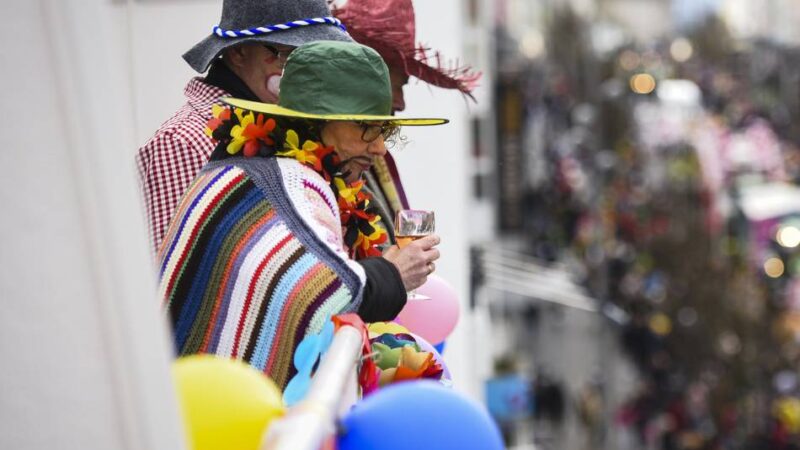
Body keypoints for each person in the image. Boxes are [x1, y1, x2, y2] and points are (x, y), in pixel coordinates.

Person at [159, 41, 445, 389]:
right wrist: (394, 273)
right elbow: (327, 292)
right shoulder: (286, 181)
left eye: (384, 130)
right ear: (315, 123)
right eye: (366, 128)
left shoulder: (250, 174)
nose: (379, 147)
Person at [137, 0, 351, 255]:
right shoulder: (183, 142)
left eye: (315, 58)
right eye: (290, 55)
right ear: (238, 53)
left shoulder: (288, 133)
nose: (305, 73)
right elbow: (168, 279)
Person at [334, 0, 480, 240]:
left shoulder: (377, 163)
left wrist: (413, 248)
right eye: (398, 85)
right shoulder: (319, 171)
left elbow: (402, 238)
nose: (402, 104)